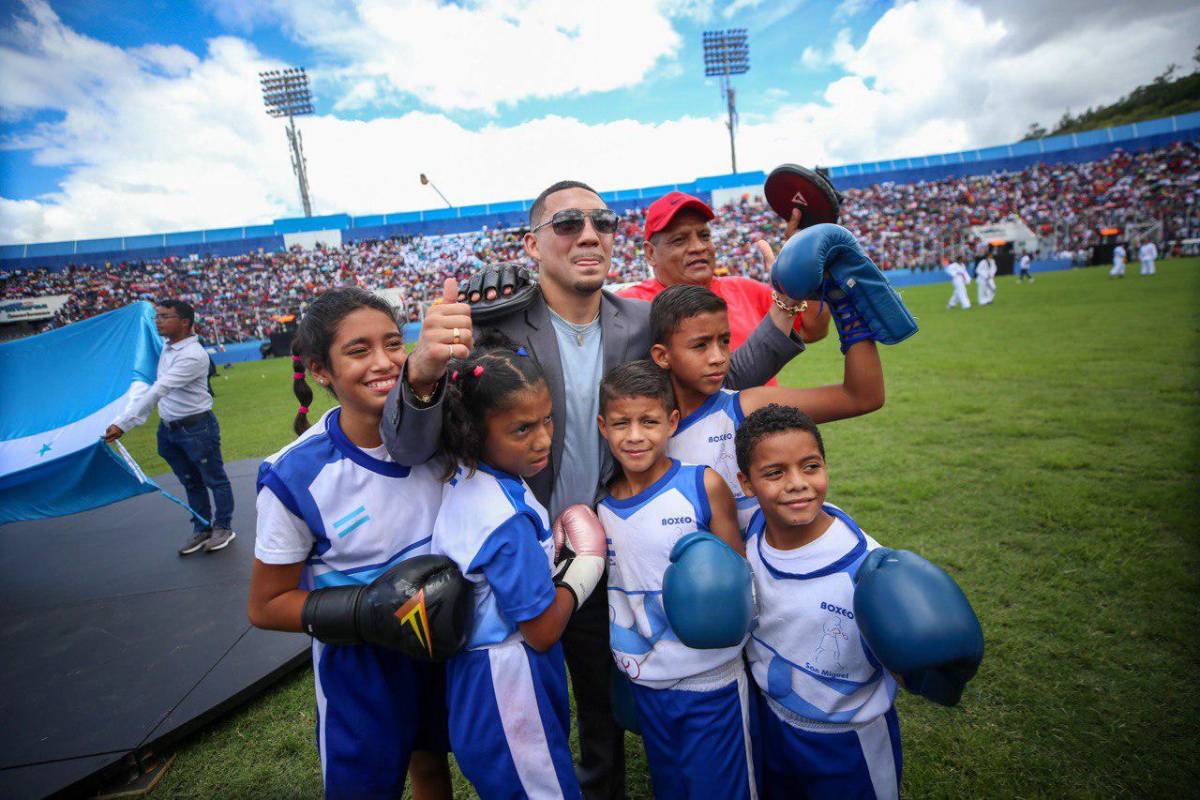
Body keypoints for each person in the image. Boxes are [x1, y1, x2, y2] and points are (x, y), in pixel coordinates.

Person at [381, 179, 805, 799]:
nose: (588, 234)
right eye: (567, 223)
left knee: (619, 701)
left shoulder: (639, 322)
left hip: (623, 545)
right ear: (531, 244)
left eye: (601, 222)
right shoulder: (489, 327)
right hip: (526, 562)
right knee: (544, 711)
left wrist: (786, 311)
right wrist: (422, 373)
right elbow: (412, 446)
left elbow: (721, 376)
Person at [246, 288, 452, 800]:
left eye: (392, 344)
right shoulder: (296, 474)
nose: (383, 363)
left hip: (442, 644)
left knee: (431, 764)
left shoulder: (442, 436)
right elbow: (266, 605)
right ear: (320, 370)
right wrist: (369, 610)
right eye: (358, 351)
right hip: (359, 672)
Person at [431, 334, 605, 799]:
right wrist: (581, 569)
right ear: (473, 430)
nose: (544, 439)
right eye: (522, 429)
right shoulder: (504, 518)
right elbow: (542, 630)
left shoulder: (474, 478)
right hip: (508, 685)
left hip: (483, 680)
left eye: (547, 420)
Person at [594, 360, 757, 798]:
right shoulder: (601, 509)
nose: (634, 435)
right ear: (602, 427)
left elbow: (740, 582)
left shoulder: (702, 485)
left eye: (648, 421)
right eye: (620, 423)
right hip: (648, 684)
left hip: (712, 682)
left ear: (671, 422)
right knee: (673, 788)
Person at [735, 405, 901, 799]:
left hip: (849, 742)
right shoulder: (752, 533)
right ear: (746, 483)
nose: (797, 484)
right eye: (775, 473)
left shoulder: (868, 568)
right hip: (773, 722)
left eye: (811, 467)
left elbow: (912, 663)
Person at [650, 284, 884, 530]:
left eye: (725, 341)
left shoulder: (744, 406)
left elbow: (861, 396)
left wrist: (848, 311)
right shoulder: (641, 433)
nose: (718, 357)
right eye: (701, 345)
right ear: (662, 356)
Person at [617, 191, 831, 361]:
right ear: (650, 253)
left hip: (765, 415)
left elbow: (812, 330)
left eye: (704, 236)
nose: (698, 247)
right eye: (680, 240)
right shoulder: (628, 306)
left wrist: (808, 256)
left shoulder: (747, 290)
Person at [103, 299, 235, 555]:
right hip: (169, 429)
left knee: (214, 479)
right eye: (156, 316)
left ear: (184, 322)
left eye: (164, 316)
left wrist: (124, 423)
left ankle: (223, 527)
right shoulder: (167, 345)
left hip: (197, 428)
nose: (158, 321)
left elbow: (159, 389)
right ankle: (202, 528)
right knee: (190, 482)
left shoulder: (193, 356)